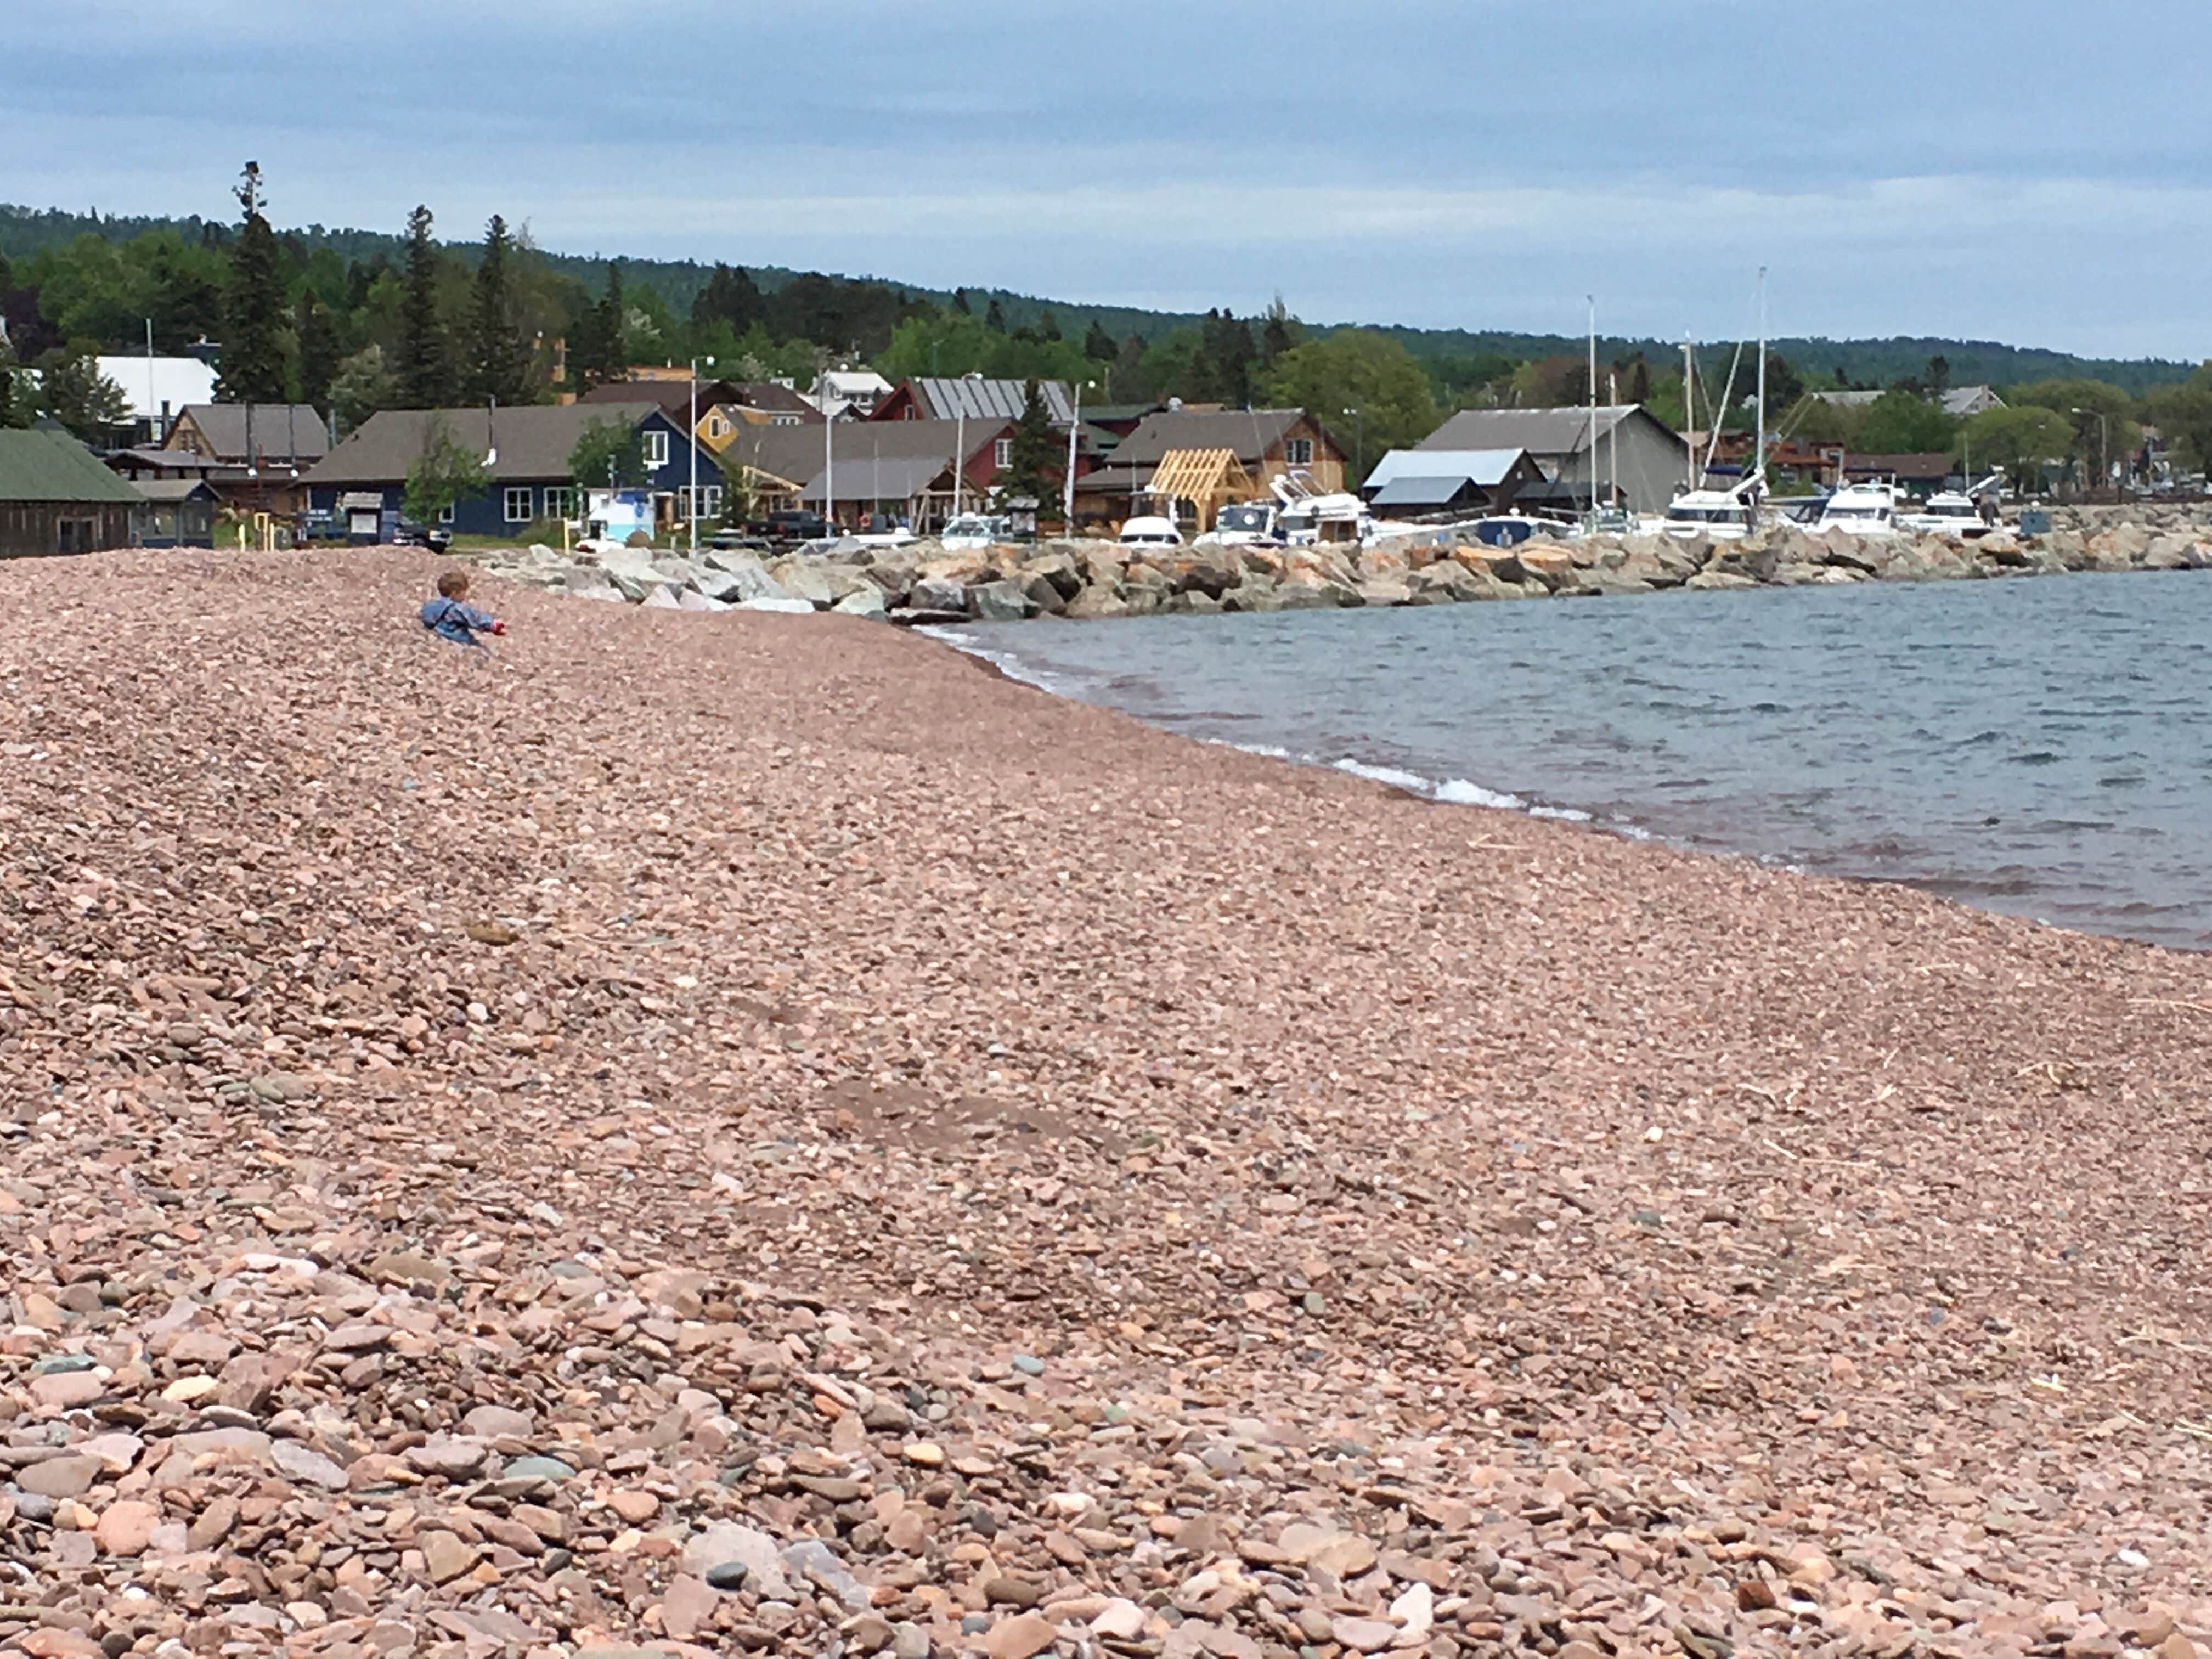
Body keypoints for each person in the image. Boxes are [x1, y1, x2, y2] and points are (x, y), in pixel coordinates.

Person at [419, 571, 505, 647]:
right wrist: (492, 625)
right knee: (479, 646)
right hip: (454, 636)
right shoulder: (456, 609)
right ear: (454, 593)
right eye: (463, 592)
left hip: (439, 631)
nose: (465, 595)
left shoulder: (433, 604)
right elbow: (474, 618)